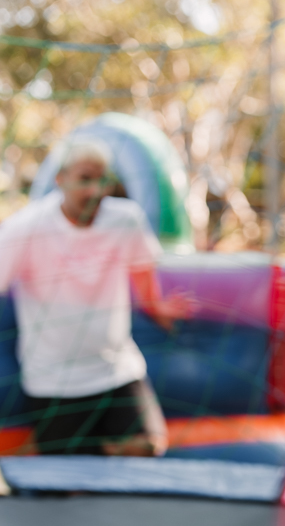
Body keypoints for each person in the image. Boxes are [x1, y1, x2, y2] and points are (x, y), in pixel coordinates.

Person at [0, 137, 191, 456]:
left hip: (116, 370)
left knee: (150, 446)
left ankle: (91, 452)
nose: (95, 190)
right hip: (53, 378)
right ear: (61, 179)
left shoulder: (125, 219)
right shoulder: (26, 227)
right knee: (61, 481)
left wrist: (161, 310)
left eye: (103, 179)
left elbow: (146, 284)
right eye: (85, 179)